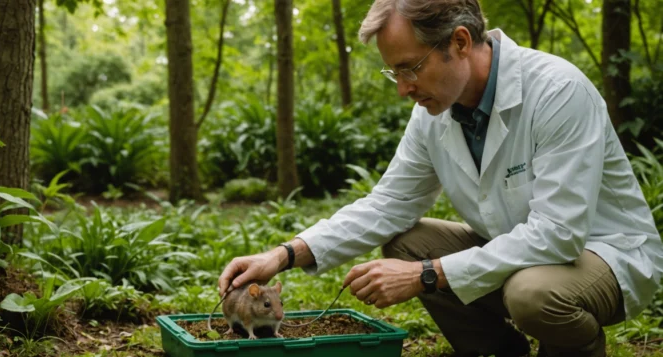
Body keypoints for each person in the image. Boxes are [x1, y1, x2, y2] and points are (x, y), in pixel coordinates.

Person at [218, 0, 663, 356]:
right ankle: (498, 350)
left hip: (602, 253)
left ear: (461, 41)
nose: (402, 88)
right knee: (406, 241)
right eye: (394, 72)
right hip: (519, 250)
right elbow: (387, 204)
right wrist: (283, 255)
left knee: (533, 293)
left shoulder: (557, 91)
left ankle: (575, 349)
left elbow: (559, 234)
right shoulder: (433, 111)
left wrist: (426, 275)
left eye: (410, 68)